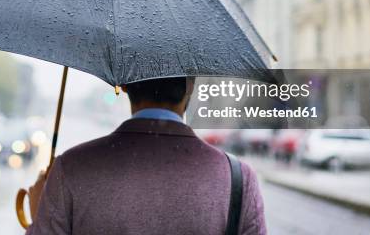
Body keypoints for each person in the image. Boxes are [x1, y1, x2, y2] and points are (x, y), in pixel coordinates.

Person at [26, 77, 266, 234]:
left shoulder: (71, 168)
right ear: (190, 85)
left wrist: (40, 218)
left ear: (125, 84)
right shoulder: (238, 180)